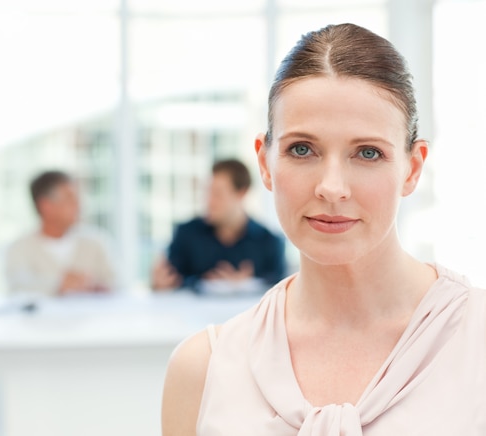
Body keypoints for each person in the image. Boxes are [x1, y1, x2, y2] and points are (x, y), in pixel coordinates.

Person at [162, 23, 486, 435]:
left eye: (367, 153)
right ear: (265, 163)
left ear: (413, 168)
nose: (331, 188)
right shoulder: (203, 370)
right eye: (302, 149)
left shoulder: (478, 339)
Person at [151, 158, 288, 294]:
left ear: (241, 193)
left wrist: (245, 286)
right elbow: (170, 281)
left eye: (217, 194)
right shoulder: (186, 234)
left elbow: (280, 292)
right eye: (207, 193)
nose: (209, 202)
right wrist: (160, 285)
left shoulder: (270, 242)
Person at [5, 170, 116, 295]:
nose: (78, 205)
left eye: (78, 198)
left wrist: (95, 286)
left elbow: (117, 284)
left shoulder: (96, 242)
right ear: (46, 205)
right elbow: (17, 288)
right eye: (70, 198)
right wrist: (59, 283)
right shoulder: (19, 249)